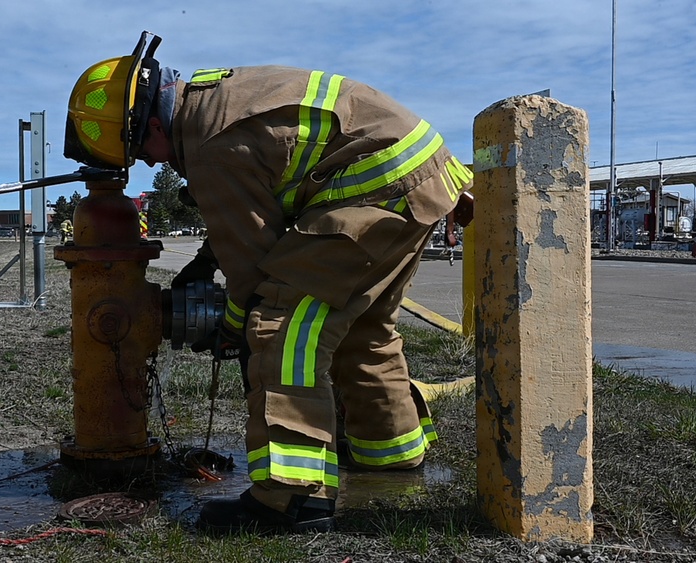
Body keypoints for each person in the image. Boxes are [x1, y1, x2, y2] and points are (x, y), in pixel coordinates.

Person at [65, 32, 474, 535]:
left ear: (152, 122)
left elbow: (254, 271)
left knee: (282, 328)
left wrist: (234, 327)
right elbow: (265, 196)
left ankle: (292, 500)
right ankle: (391, 456)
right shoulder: (212, 102)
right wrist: (204, 260)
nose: (149, 163)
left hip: (376, 185)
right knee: (364, 329)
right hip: (417, 173)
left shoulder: (210, 144)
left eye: (140, 150)